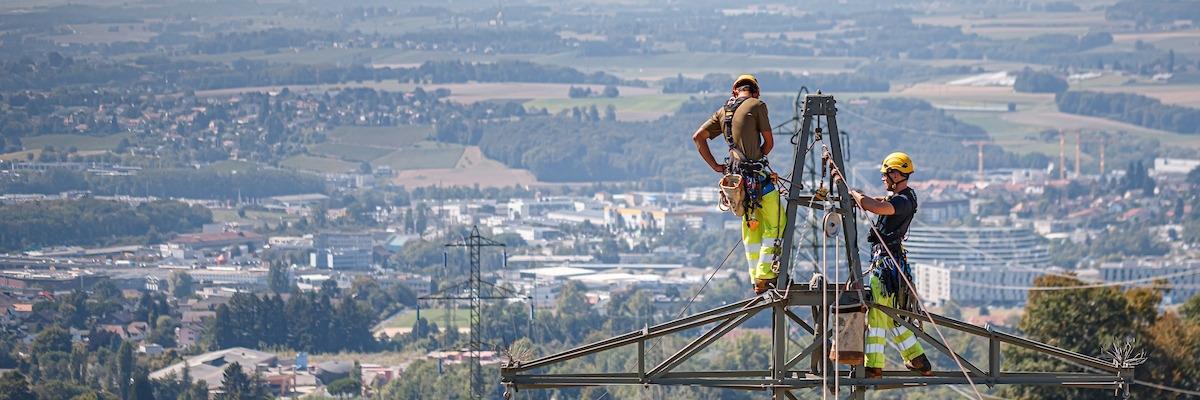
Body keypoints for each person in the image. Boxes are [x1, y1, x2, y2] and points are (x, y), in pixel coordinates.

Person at [834, 151, 932, 378]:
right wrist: (859, 196)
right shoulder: (904, 197)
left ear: (897, 174)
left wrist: (856, 194)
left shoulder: (903, 201)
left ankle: (873, 365)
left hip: (887, 267)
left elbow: (875, 207)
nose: (883, 178)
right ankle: (917, 358)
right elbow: (879, 202)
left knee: (877, 316)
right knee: (890, 316)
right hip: (891, 265)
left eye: (886, 174)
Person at [691, 74, 783, 295]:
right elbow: (769, 143)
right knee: (777, 222)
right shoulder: (757, 105)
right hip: (757, 179)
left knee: (751, 228)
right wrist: (758, 159)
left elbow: (698, 137)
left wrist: (715, 166)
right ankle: (765, 274)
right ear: (756, 91)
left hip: (736, 181)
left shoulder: (723, 112)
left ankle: (755, 280)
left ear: (734, 91)